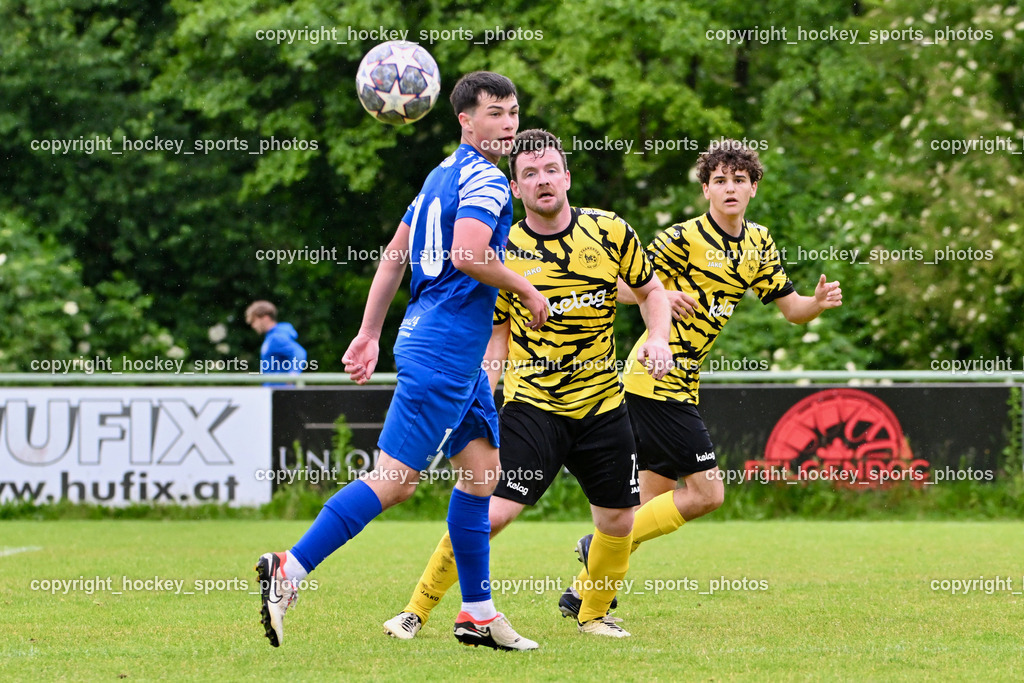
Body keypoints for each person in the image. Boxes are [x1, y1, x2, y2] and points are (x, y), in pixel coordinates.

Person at [255, 71, 550, 651]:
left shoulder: (439, 177)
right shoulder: (487, 179)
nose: (509, 122)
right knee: (394, 482)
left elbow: (393, 256)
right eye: (495, 112)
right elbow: (467, 255)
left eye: (513, 111)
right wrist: (526, 289)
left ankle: (478, 614)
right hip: (444, 351)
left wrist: (368, 333)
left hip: (443, 351)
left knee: (482, 473)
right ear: (465, 120)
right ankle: (290, 568)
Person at [381, 129, 673, 640]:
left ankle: (592, 613)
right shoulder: (502, 249)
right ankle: (416, 610)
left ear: (566, 177)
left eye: (550, 170)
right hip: (532, 405)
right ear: (514, 189)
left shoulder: (610, 231)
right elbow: (496, 336)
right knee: (490, 513)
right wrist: (481, 388)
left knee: (619, 523)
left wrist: (659, 338)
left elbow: (651, 292)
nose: (542, 180)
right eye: (529, 174)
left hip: (602, 404)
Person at [568, 139, 843, 607]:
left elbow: (791, 310)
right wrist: (657, 296)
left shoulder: (758, 242)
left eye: (739, 179)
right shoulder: (681, 238)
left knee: (640, 511)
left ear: (754, 187)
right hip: (654, 378)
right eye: (720, 180)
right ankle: (597, 551)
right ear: (706, 191)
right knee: (708, 493)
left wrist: (815, 305)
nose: (730, 188)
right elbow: (616, 286)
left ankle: (585, 593)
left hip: (681, 380)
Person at [245, 300, 308, 376]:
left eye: (254, 321)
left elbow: (299, 353)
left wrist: (293, 375)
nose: (253, 326)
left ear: (265, 317)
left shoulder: (276, 337)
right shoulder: (272, 336)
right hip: (273, 387)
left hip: (279, 387)